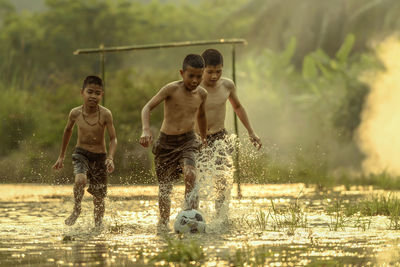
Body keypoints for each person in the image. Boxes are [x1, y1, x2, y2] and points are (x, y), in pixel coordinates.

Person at [140, 54, 208, 231]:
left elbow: (201, 115)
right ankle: (163, 225)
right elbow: (147, 107)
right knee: (164, 189)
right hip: (166, 143)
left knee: (190, 174)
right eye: (191, 76)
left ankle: (191, 215)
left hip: (188, 140)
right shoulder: (170, 89)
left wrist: (204, 137)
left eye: (199, 76)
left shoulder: (202, 94)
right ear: (182, 73)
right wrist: (146, 130)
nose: (195, 80)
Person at [198, 48, 262, 214]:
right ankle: (194, 213)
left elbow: (238, 107)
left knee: (222, 178)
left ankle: (220, 215)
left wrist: (251, 132)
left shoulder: (227, 85)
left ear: (222, 68)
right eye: (209, 72)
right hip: (196, 138)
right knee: (195, 178)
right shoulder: (194, 86)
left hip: (219, 137)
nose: (214, 76)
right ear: (202, 70)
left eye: (218, 71)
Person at [53, 75, 117, 227]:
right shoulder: (75, 113)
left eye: (97, 93)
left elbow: (113, 138)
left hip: (100, 157)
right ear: (82, 92)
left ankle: (98, 226)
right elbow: (67, 130)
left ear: (102, 95)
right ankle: (76, 209)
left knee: (99, 198)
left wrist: (111, 157)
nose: (93, 96)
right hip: (81, 153)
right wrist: (61, 156)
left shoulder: (106, 114)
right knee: (80, 180)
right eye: (90, 92)